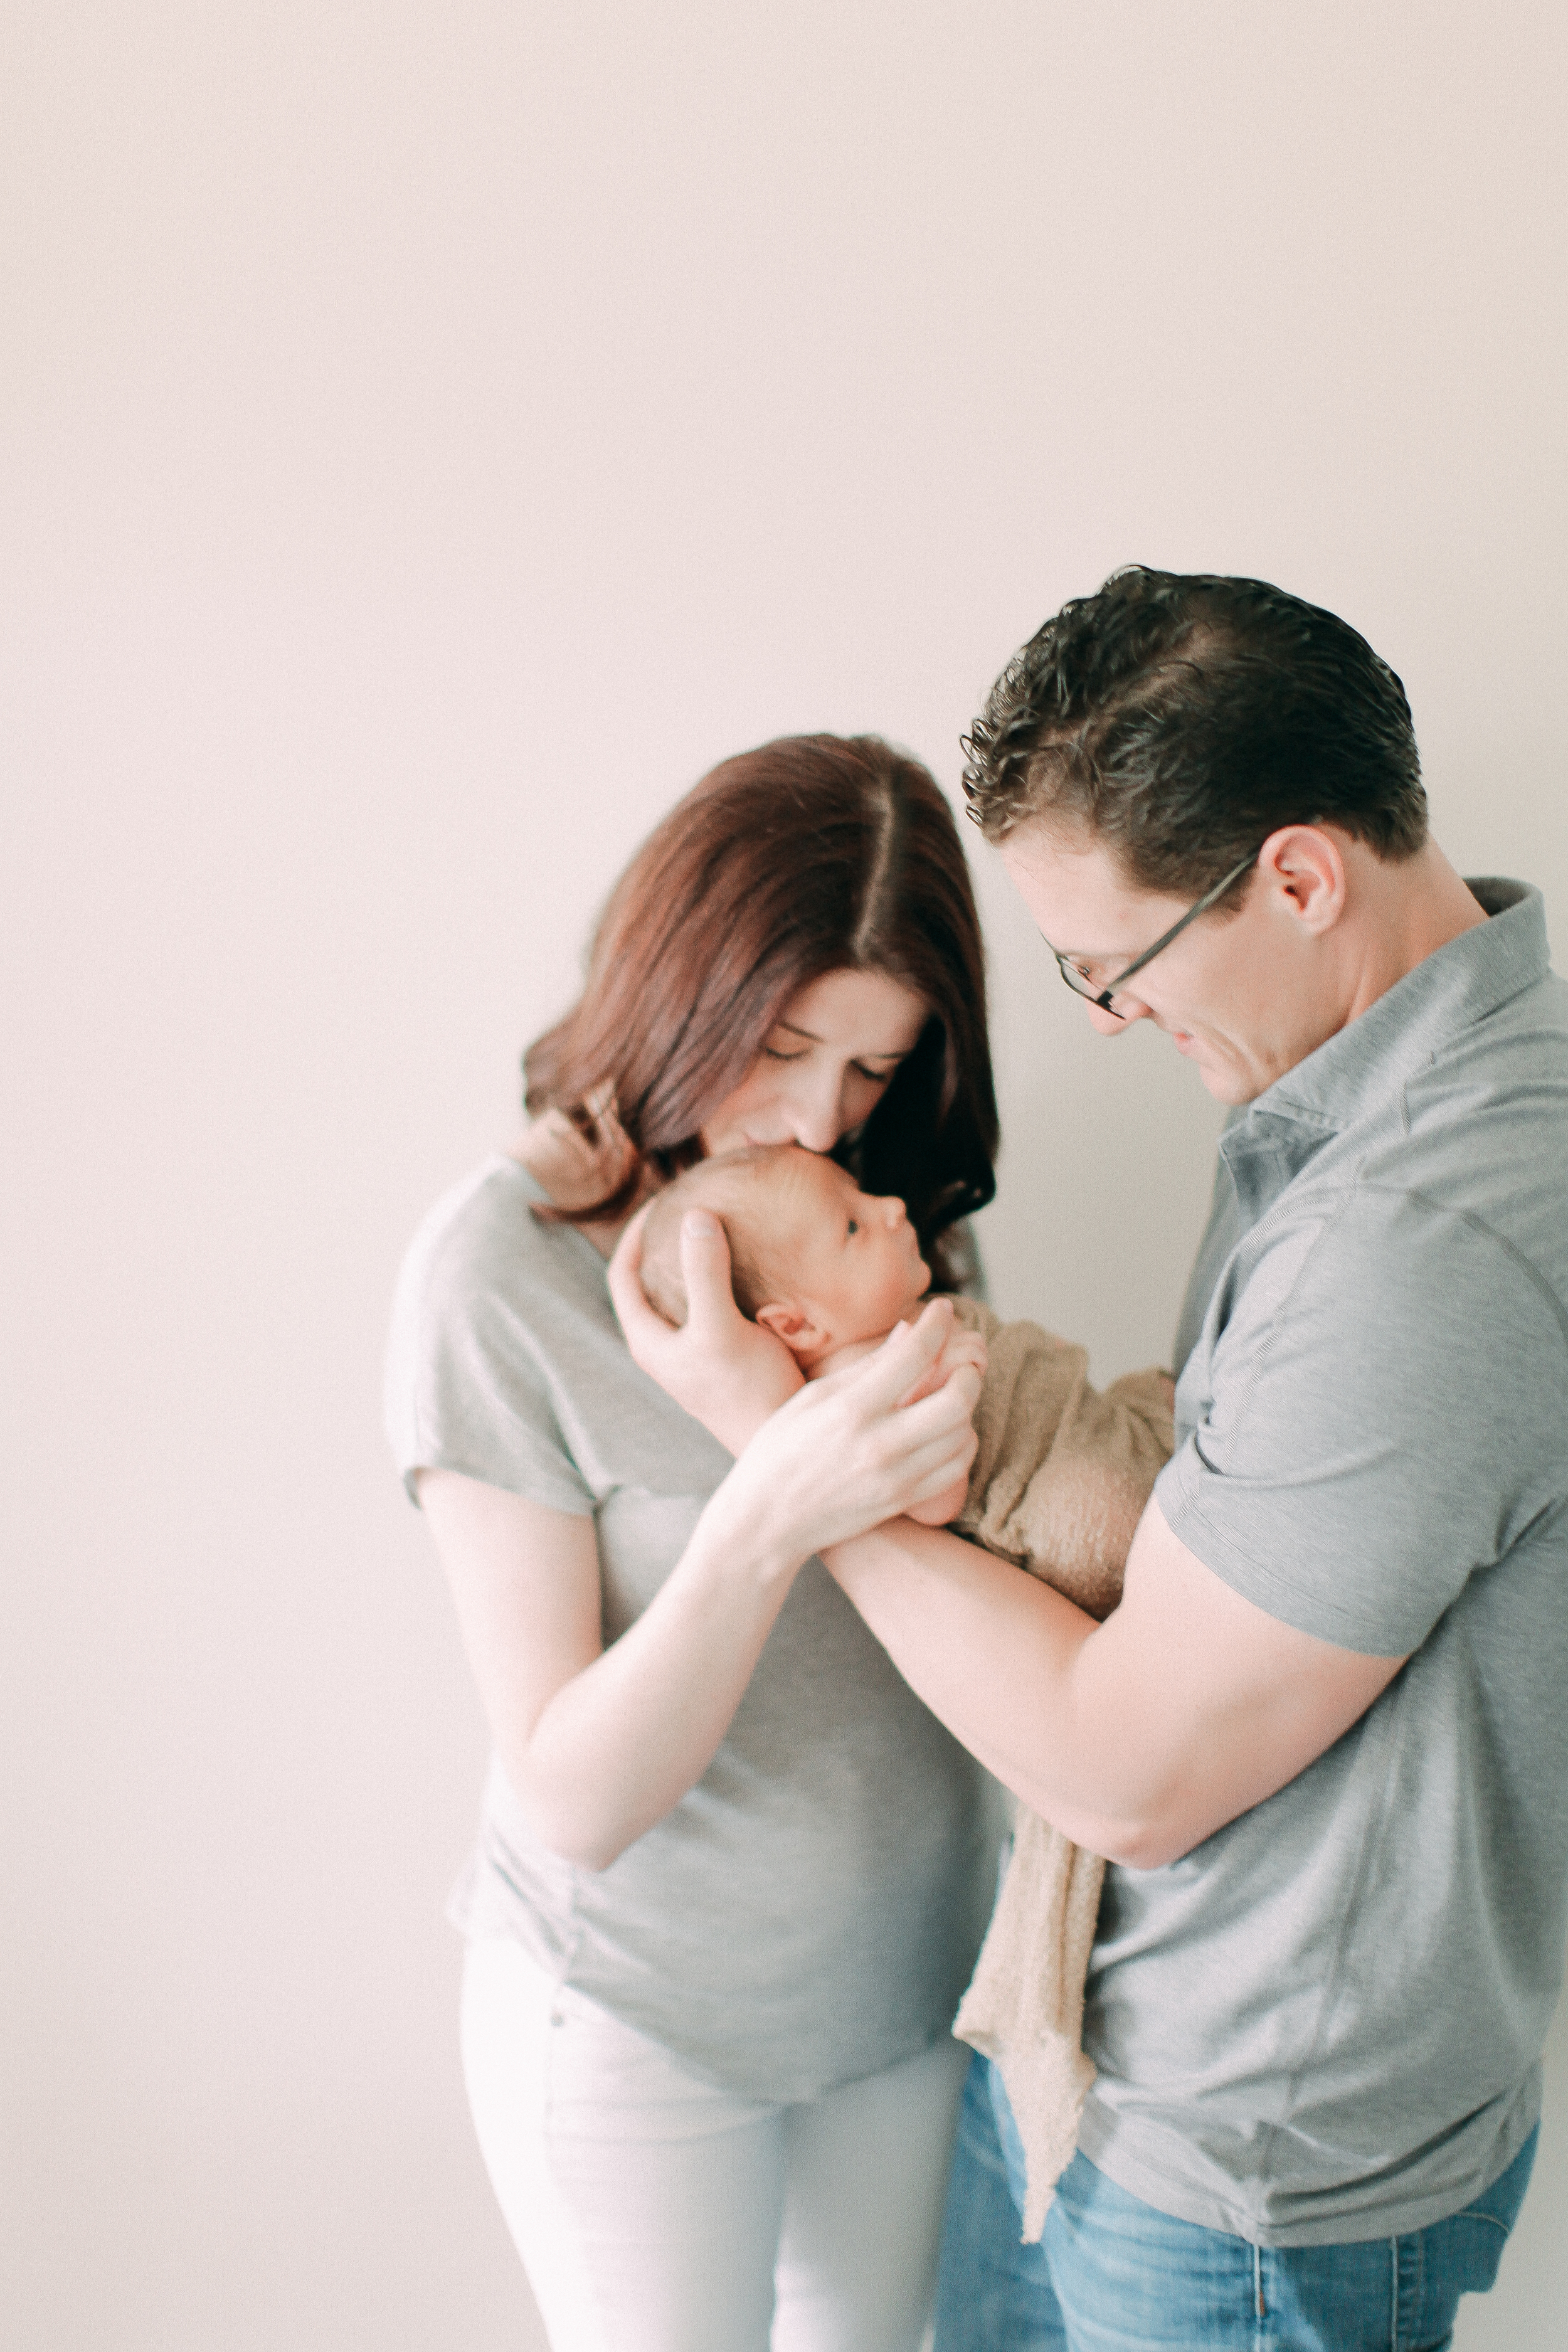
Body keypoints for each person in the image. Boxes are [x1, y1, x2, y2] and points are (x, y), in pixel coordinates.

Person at [611, 570, 1568, 2352]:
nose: (1109, 1020)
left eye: (1113, 968)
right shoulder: (1330, 1091)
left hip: (1246, 2173)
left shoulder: (1431, 1232)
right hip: (1099, 2062)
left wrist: (784, 1445)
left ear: (1295, 876)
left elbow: (1134, 1769)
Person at [384, 732, 1007, 2352]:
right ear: (682, 985)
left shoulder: (891, 1222)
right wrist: (772, 1481)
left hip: (908, 1989)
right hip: (639, 2022)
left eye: (873, 1065)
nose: (819, 1115)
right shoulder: (502, 1271)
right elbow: (572, 1792)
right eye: (786, 1044)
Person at [642, 1139, 1175, 2227]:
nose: (890, 1205)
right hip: (1070, 1514)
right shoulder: (856, 1386)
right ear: (796, 1329)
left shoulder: (884, 1328)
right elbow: (928, 1499)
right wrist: (961, 1389)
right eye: (849, 1223)